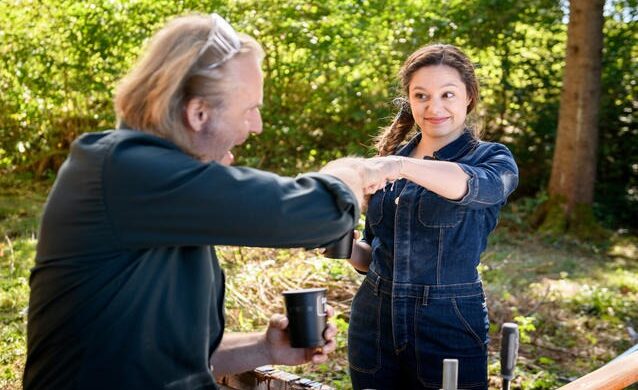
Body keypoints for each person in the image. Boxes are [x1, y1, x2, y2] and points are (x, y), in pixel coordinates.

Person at [23, 13, 401, 390]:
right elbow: (320, 214)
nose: (256, 126)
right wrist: (352, 172)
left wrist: (265, 346)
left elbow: (184, 355)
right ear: (198, 113)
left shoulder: (169, 196)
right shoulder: (126, 170)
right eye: (250, 109)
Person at [346, 44, 519, 390]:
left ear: (468, 96)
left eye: (447, 94)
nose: (434, 106)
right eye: (421, 95)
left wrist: (400, 167)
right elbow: (371, 257)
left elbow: (476, 187)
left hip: (449, 323)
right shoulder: (391, 159)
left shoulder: (491, 159)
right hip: (372, 320)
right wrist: (341, 245)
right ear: (409, 99)